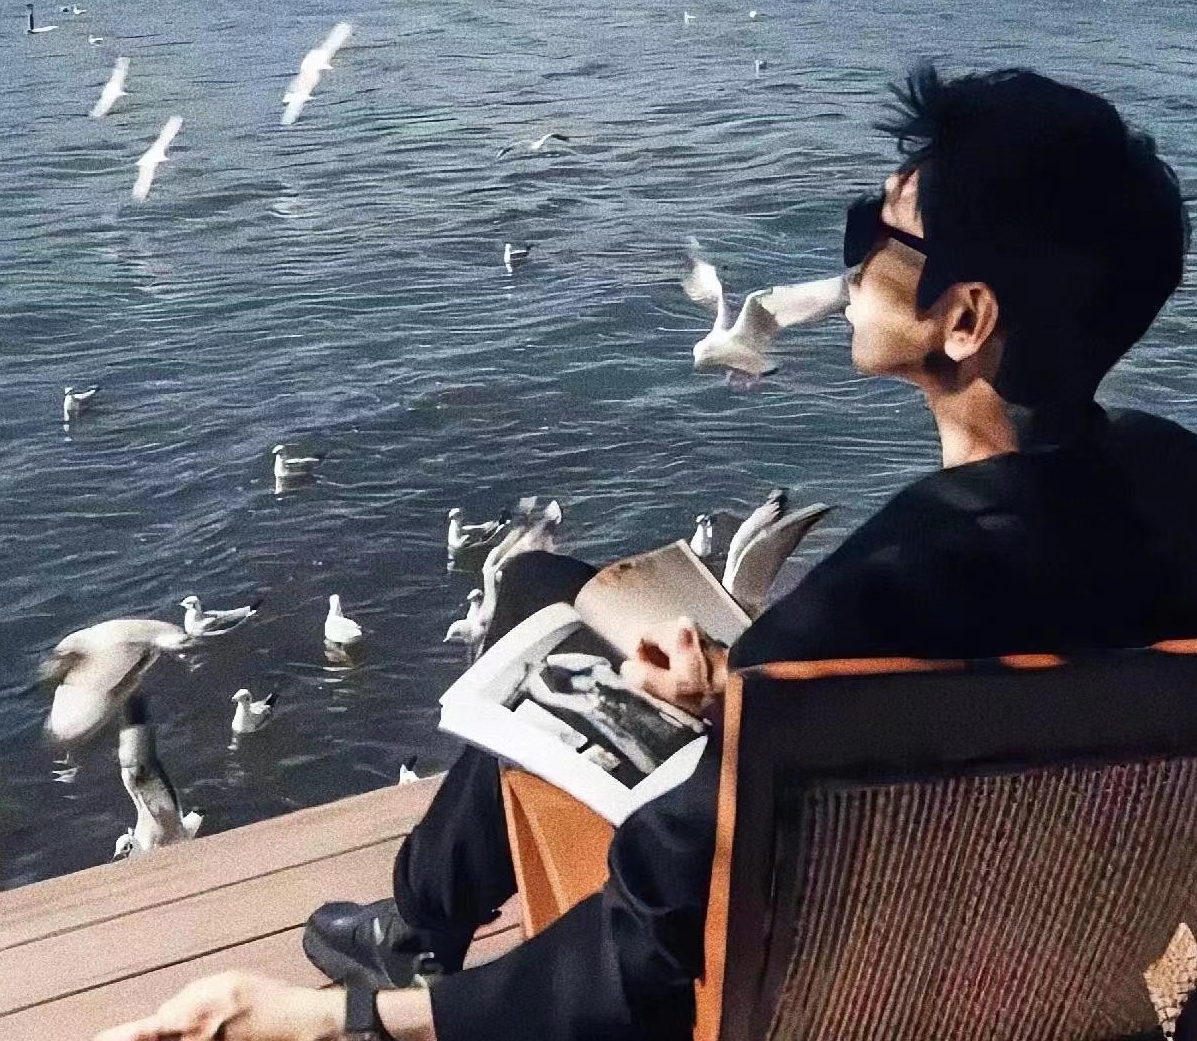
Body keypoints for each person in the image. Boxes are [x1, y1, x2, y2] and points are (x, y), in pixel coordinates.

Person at [94, 65, 1197, 1041]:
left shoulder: (872, 601)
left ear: (963, 320)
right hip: (1018, 931)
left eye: (878, 232)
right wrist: (737, 691)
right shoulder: (1170, 481)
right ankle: (416, 912)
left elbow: (641, 963)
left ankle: (414, 934)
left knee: (544, 621)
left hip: (805, 965)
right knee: (551, 584)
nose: (852, 259)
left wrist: (339, 1023)